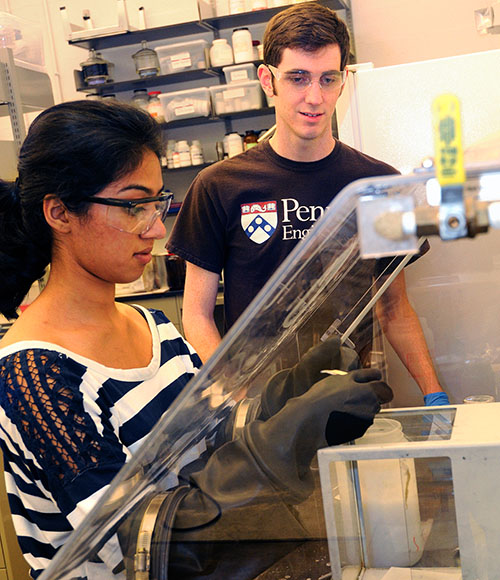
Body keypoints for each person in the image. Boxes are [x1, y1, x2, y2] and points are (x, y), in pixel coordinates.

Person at [0, 99, 392, 579]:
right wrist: (283, 439)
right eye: (132, 206)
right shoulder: (34, 376)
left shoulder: (150, 326)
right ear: (60, 213)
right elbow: (141, 545)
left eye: (157, 202)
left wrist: (286, 398)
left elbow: (208, 441)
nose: (156, 228)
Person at [167, 2, 449, 407]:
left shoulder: (379, 184)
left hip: (350, 401)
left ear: (343, 80)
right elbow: (196, 316)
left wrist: (433, 392)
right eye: (298, 78)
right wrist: (240, 399)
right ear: (268, 80)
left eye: (327, 79)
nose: (314, 97)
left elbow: (394, 307)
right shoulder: (219, 186)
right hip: (260, 406)